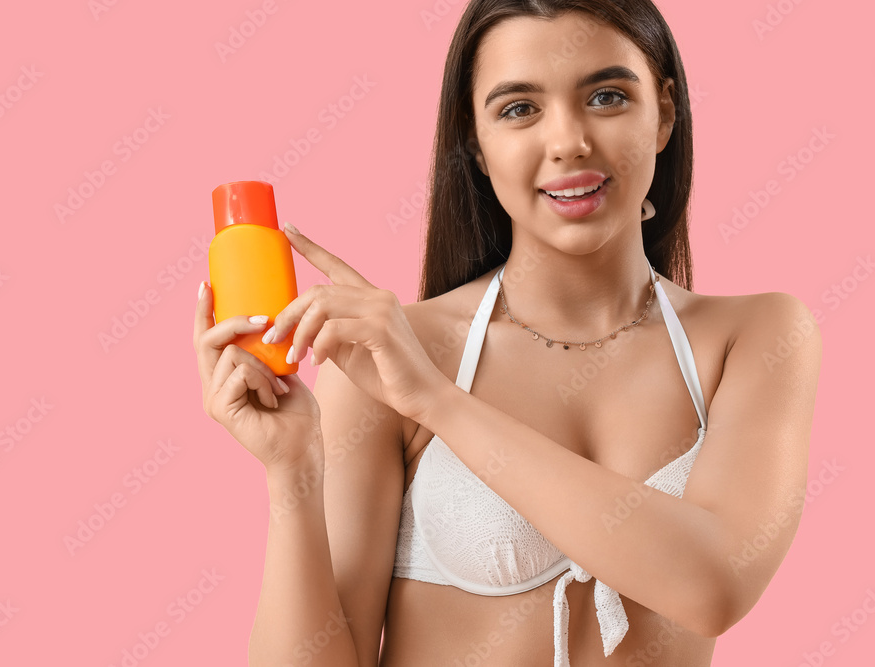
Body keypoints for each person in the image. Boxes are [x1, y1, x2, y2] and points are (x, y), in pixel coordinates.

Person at [193, 0, 822, 664]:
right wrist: (291, 469)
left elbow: (714, 583)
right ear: (477, 144)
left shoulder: (755, 336)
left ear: (664, 111)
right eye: (519, 108)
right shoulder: (389, 353)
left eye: (606, 96)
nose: (568, 142)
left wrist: (440, 402)